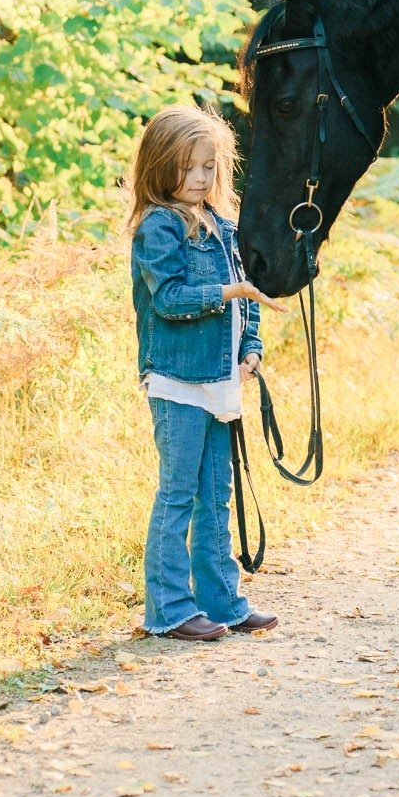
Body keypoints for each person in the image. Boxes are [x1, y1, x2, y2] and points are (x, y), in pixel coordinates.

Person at [127, 104, 285, 641]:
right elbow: (169, 300)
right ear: (159, 166)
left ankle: (223, 602)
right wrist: (228, 294)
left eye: (209, 168)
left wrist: (252, 346)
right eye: (188, 167)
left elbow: (251, 295)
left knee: (216, 491)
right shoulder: (158, 226)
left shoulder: (225, 226)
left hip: (220, 380)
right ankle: (169, 610)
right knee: (177, 494)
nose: (200, 178)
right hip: (177, 381)